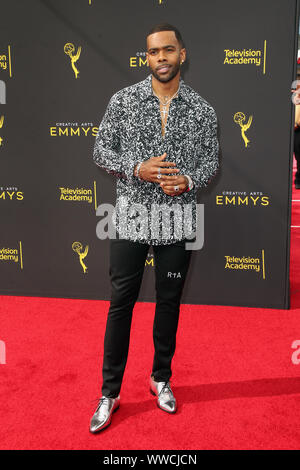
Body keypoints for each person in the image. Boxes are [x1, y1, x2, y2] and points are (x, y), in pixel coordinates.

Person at [90, 23, 219, 433]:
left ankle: (160, 378)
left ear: (183, 54)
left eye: (167, 50)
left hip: (178, 218)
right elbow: (99, 149)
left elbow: (211, 162)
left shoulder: (203, 110)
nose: (160, 58)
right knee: (120, 304)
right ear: (146, 57)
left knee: (168, 302)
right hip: (130, 216)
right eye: (152, 52)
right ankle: (109, 392)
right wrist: (135, 168)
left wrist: (189, 181)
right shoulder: (123, 101)